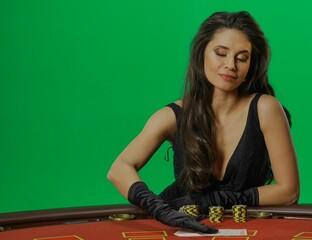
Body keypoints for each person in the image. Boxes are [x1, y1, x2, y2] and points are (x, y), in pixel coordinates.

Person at [107, 11, 299, 233]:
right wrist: (160, 210)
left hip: (244, 228)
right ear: (202, 55)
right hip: (178, 225)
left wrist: (222, 198)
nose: (230, 65)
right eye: (220, 53)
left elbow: (289, 191)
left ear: (250, 66)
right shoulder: (173, 115)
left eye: (242, 57)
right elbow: (119, 168)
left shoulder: (266, 108)